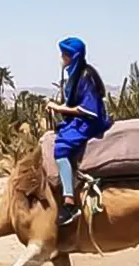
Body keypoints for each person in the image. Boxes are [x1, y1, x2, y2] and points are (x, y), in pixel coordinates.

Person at [46, 37, 112, 227]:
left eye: (65, 54)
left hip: (89, 122)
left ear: (73, 56)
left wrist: (60, 109)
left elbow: (88, 109)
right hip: (79, 120)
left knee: (61, 148)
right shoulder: (76, 75)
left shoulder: (85, 76)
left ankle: (69, 203)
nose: (62, 57)